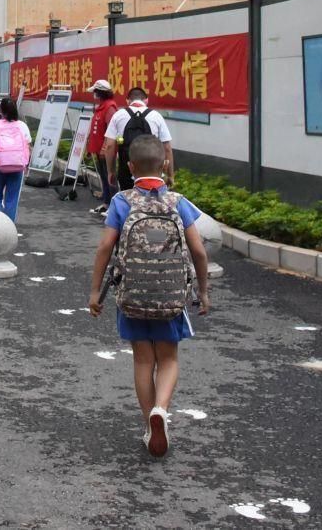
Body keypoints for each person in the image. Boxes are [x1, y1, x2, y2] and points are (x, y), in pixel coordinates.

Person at [88, 134, 211, 457]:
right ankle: (161, 409)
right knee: (168, 359)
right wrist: (203, 291)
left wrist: (95, 292)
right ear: (165, 164)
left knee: (143, 360)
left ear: (130, 167)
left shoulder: (122, 202)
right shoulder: (178, 203)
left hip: (133, 294)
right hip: (170, 296)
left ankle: (148, 424)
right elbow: (198, 251)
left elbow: (105, 247)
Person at [103, 86, 175, 192]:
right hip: (152, 174)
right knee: (152, 199)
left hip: (126, 170)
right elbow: (167, 148)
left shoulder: (118, 116)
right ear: (146, 100)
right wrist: (170, 175)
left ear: (128, 101)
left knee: (127, 198)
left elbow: (109, 146)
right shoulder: (156, 116)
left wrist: (111, 171)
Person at [0, 95, 33, 220]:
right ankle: (9, 225)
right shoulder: (22, 126)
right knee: (12, 198)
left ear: (1, 111)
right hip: (18, 165)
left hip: (0, 165)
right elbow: (28, 146)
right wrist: (27, 164)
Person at [84, 80, 121, 218]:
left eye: (95, 91)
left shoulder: (110, 108)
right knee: (104, 177)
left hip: (106, 151)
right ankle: (106, 203)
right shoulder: (101, 107)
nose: (93, 94)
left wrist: (105, 148)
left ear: (100, 93)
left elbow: (112, 130)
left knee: (110, 178)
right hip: (98, 150)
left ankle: (115, 207)